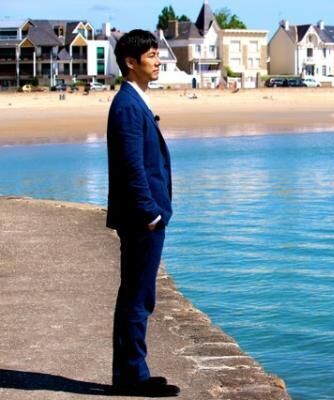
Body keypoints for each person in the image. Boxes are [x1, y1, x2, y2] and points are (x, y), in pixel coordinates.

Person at [106, 29, 179, 397]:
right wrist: (151, 213)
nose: (157, 61)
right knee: (137, 297)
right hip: (141, 220)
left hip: (145, 217)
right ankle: (132, 377)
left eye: (156, 54)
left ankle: (131, 373)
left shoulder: (135, 101)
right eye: (151, 56)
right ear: (130, 62)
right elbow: (131, 166)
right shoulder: (127, 105)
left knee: (138, 294)